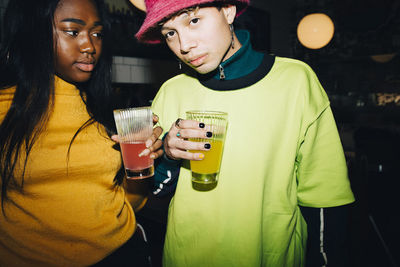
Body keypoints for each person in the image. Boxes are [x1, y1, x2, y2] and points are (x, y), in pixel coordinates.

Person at [131, 0, 356, 266]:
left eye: (193, 21)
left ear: (228, 10)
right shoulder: (172, 91)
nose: (184, 45)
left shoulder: (296, 81)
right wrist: (168, 155)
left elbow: (325, 197)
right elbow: (149, 192)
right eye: (170, 32)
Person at [0, 0, 165, 266]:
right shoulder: (6, 110)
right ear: (33, 32)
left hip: (121, 253)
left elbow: (129, 201)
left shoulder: (105, 111)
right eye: (72, 31)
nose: (90, 46)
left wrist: (141, 165)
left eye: (97, 33)